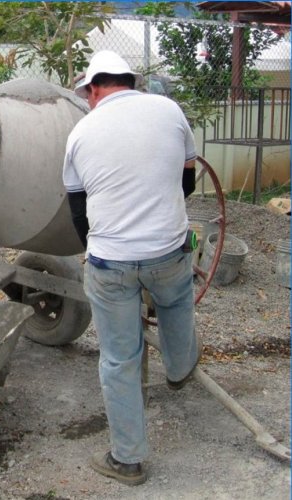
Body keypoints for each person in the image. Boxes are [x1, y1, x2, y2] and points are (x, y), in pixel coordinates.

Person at [63, 50, 201, 486]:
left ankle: (127, 460)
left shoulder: (81, 132)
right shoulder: (170, 111)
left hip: (112, 263)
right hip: (168, 252)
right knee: (178, 303)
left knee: (120, 358)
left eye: (87, 93)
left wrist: (99, 252)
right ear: (130, 81)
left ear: (96, 88)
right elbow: (186, 182)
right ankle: (179, 370)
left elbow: (79, 212)